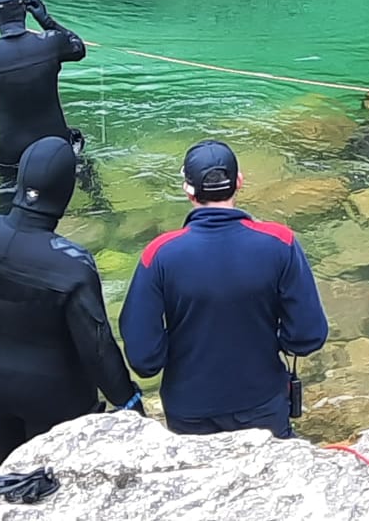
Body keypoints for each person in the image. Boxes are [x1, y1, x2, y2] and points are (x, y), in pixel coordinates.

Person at [0, 137, 141, 469]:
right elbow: (96, 346)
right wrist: (128, 400)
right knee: (66, 485)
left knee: (6, 477)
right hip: (60, 396)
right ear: (66, 191)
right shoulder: (71, 264)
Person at [119, 141, 328, 437]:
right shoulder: (280, 242)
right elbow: (308, 336)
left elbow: (144, 359)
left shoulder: (159, 254)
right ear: (239, 182)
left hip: (188, 409)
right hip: (262, 401)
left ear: (188, 190)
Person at [0, 0, 87, 177]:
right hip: (56, 143)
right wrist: (46, 20)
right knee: (81, 161)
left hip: (11, 154)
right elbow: (78, 48)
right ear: (25, 12)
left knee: (9, 201)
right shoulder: (50, 42)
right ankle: (97, 198)